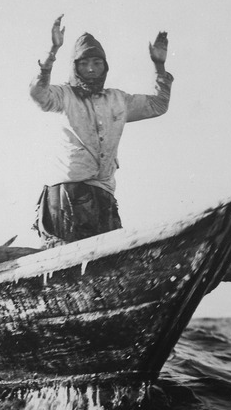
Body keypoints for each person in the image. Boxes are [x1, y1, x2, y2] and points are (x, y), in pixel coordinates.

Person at [29, 14, 173, 247]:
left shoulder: (117, 99)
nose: (91, 69)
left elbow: (158, 105)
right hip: (68, 195)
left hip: (103, 193)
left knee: (107, 257)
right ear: (75, 67)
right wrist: (52, 51)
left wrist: (159, 66)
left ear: (105, 66)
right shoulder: (64, 96)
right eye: (84, 64)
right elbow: (38, 94)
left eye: (97, 63)